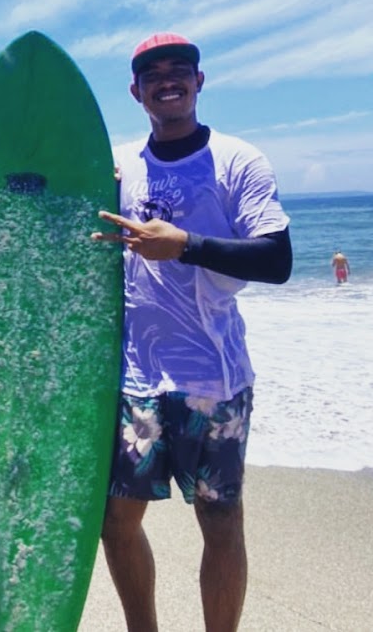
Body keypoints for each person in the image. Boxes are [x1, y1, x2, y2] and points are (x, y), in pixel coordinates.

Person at [92, 32, 293, 632]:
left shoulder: (238, 161)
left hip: (216, 379)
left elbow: (276, 259)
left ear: (200, 82)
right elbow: (45, 186)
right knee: (116, 522)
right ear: (136, 91)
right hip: (136, 383)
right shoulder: (122, 165)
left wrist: (185, 247)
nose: (168, 80)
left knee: (221, 523)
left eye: (181, 70)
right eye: (153, 74)